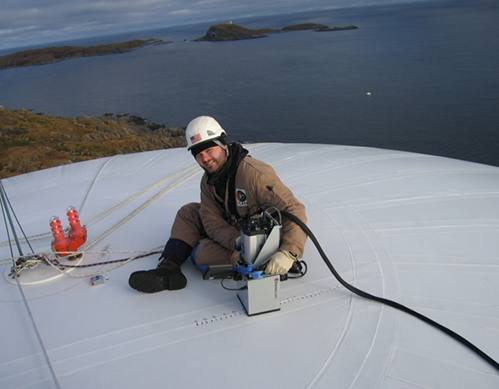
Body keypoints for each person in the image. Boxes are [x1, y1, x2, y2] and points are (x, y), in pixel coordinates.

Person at [129, 116, 307, 293]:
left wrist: (289, 252)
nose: (205, 158)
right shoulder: (208, 181)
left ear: (223, 145)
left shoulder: (255, 174)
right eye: (199, 155)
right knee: (188, 212)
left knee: (202, 254)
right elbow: (210, 219)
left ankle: (261, 261)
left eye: (209, 150)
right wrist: (236, 241)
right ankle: (169, 266)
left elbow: (293, 208)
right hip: (238, 232)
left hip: (261, 237)